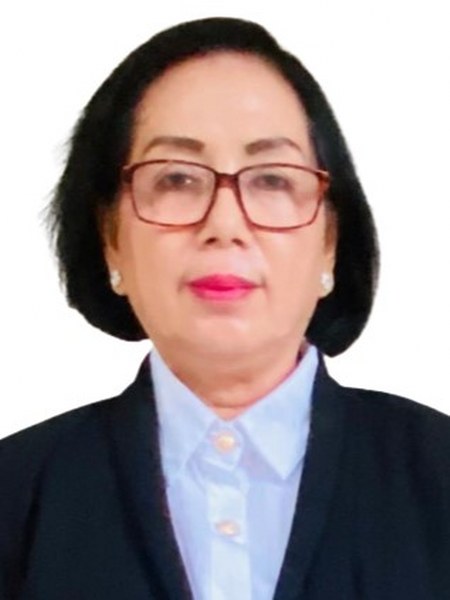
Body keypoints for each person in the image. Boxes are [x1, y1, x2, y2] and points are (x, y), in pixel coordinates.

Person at [0, 16, 449, 600]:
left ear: (330, 243)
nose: (225, 223)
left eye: (272, 179)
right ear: (111, 238)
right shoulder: (17, 493)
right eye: (176, 179)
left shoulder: (437, 475)